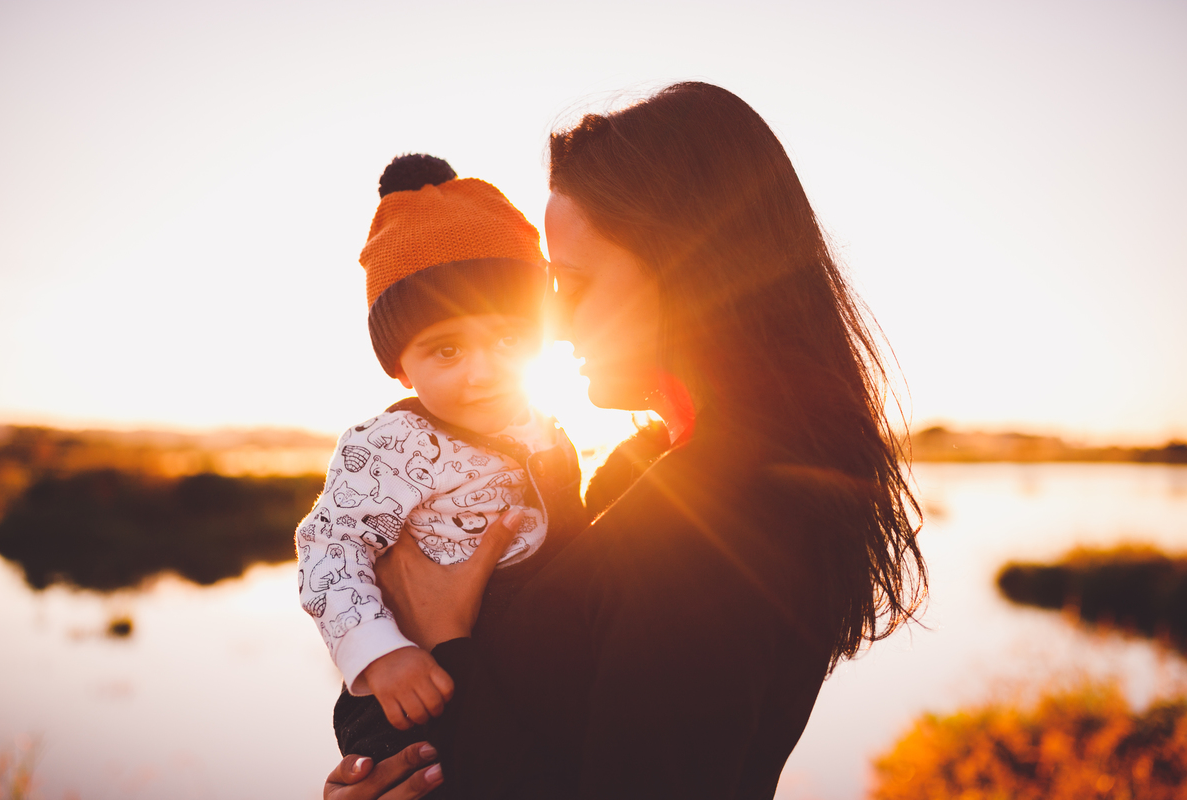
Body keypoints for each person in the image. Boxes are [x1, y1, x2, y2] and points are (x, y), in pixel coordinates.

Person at [326, 81, 927, 800]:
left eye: (574, 284)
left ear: (690, 274)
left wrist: (443, 640)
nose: (555, 322)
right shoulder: (642, 470)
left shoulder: (721, 527)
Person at [296, 154, 587, 774]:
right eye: (447, 350)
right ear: (402, 368)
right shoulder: (391, 445)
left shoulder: (542, 425)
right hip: (415, 689)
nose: (483, 372)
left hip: (514, 678)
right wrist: (381, 654)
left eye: (508, 339)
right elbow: (329, 547)